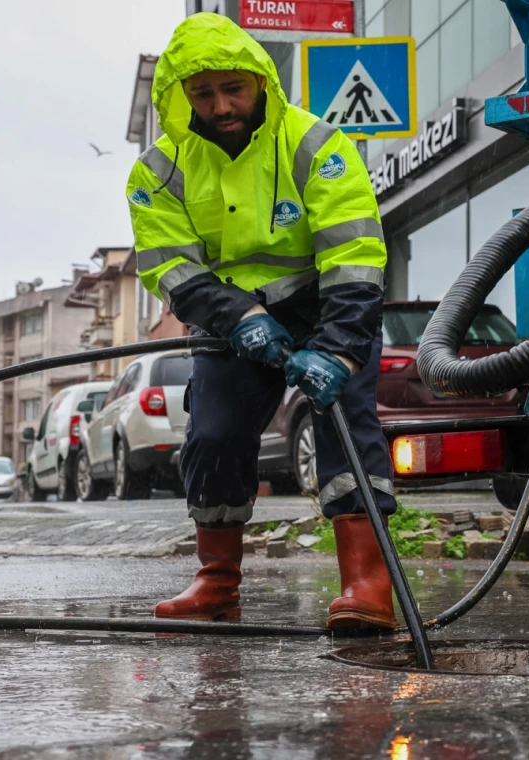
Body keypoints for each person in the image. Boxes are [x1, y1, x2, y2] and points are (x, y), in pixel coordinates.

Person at [126, 13, 397, 630]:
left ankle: (367, 585)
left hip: (323, 301)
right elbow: (168, 265)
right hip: (227, 312)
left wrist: (336, 350)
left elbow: (354, 253)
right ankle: (216, 583)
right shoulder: (157, 171)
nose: (221, 106)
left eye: (233, 90)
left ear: (260, 83)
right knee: (215, 433)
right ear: (180, 97)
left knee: (345, 423)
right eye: (203, 94)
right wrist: (242, 317)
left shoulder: (315, 143)